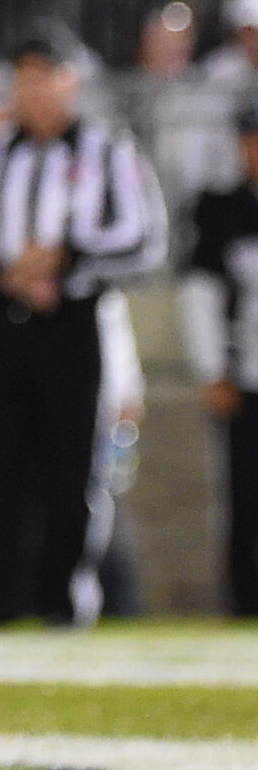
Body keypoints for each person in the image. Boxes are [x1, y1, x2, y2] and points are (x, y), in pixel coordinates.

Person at [0, 23, 165, 626]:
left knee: (72, 462)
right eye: (24, 79)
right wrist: (9, 270)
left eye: (45, 77)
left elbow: (141, 233)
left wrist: (63, 260)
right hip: (1, 315)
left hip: (73, 317)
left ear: (71, 81)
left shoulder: (108, 147)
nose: (34, 91)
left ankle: (63, 599)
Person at [177, 97, 258, 616]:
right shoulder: (222, 208)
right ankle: (245, 602)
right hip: (247, 376)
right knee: (245, 498)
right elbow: (199, 294)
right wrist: (213, 370)